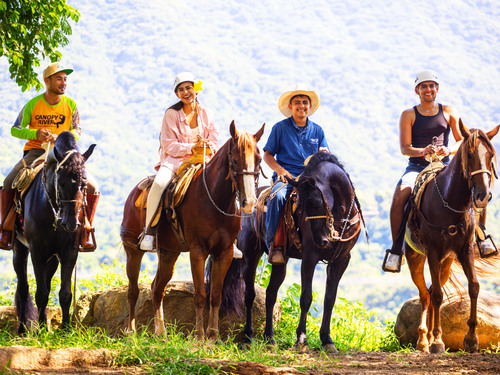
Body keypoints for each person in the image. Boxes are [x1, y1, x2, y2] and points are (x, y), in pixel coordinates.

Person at [382, 70, 496, 273]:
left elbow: (464, 139)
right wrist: (422, 151)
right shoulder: (409, 114)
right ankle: (396, 250)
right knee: (400, 196)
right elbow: (404, 147)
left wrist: (448, 149)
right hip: (417, 167)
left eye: (432, 86)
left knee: (478, 189)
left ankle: (481, 237)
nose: (428, 89)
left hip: (445, 166)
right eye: (423, 86)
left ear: (437, 89)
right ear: (417, 90)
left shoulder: (449, 111)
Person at [0, 62, 99, 251]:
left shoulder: (70, 105)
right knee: (8, 181)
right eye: (59, 79)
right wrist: (35, 134)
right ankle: (5, 231)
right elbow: (15, 129)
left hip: (65, 154)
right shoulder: (33, 104)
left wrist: (61, 137)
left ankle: (86, 231)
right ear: (47, 81)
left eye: (65, 79)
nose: (64, 83)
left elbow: (77, 130)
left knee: (93, 186)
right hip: (36, 152)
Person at [139, 72, 220, 252]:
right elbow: (168, 145)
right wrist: (193, 146)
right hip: (175, 161)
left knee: (226, 184)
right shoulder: (171, 114)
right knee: (159, 185)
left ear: (196, 90)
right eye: (180, 89)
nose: (185, 92)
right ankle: (149, 232)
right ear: (177, 94)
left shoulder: (207, 113)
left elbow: (215, 138)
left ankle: (232, 240)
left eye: (188, 88)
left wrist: (209, 146)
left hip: (204, 160)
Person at [263, 84, 330, 265]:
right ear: (291, 107)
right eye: (297, 102)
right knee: (277, 197)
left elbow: (325, 154)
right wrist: (279, 170)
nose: (301, 106)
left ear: (310, 106)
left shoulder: (318, 130)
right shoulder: (280, 128)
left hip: (311, 178)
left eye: (305, 102)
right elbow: (267, 155)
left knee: (331, 197)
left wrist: (323, 153)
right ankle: (273, 244)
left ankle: (332, 237)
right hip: (287, 176)